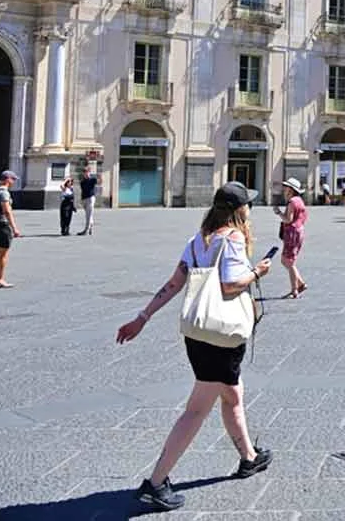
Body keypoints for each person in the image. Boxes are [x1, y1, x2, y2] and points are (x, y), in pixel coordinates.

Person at [115, 181, 274, 512]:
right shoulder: (233, 239)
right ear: (238, 210)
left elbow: (174, 283)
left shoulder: (199, 240)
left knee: (232, 395)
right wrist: (257, 272)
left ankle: (249, 457)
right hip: (222, 335)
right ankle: (155, 483)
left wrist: (142, 317)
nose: (250, 210)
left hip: (198, 333)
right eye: (248, 205)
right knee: (197, 409)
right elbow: (230, 285)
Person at [274, 178, 308, 298]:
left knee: (288, 261)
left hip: (292, 232)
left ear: (291, 190)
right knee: (288, 260)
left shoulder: (292, 202)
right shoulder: (300, 201)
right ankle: (300, 284)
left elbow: (288, 219)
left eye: (286, 188)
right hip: (299, 231)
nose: (284, 190)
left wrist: (278, 212)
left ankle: (295, 289)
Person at [79, 166, 100, 235]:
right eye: (84, 172)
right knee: (89, 215)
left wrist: (99, 176)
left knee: (88, 215)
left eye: (87, 172)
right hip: (84, 199)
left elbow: (99, 181)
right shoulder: (82, 181)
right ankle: (90, 227)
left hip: (90, 198)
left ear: (89, 172)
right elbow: (83, 190)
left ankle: (86, 230)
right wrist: (81, 200)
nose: (86, 173)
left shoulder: (92, 179)